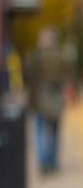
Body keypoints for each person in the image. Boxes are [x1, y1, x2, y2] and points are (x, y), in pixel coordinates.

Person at [24, 27, 72, 174]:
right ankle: (53, 162)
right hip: (57, 98)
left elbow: (28, 76)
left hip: (39, 97)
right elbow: (70, 77)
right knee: (55, 130)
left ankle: (43, 161)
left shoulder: (35, 55)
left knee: (40, 130)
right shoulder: (62, 55)